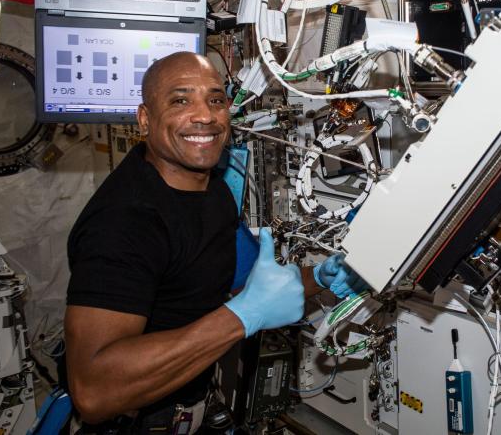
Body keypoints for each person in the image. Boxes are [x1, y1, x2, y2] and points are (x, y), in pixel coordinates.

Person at [64, 52, 366, 433]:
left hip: (192, 409)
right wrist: (241, 318)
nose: (204, 115)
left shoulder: (212, 191)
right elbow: (94, 391)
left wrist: (318, 278)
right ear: (144, 119)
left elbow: (243, 291)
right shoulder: (125, 222)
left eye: (216, 99)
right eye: (180, 100)